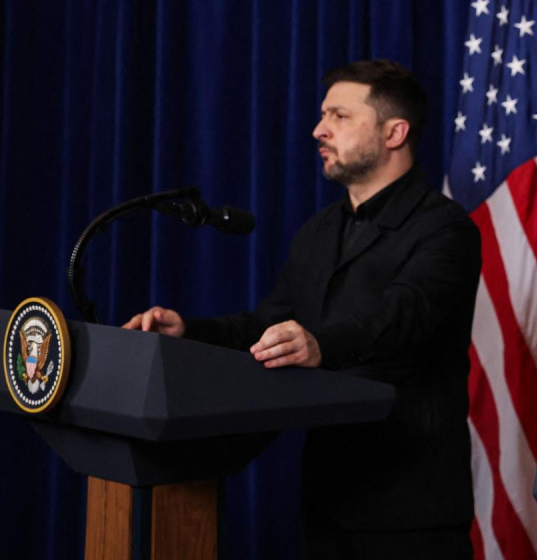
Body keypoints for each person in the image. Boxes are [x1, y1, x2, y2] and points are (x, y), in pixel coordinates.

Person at [124, 59, 481, 559]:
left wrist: (320, 344)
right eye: (322, 115)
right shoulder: (320, 230)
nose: (319, 129)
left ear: (394, 133)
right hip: (328, 498)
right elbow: (269, 324)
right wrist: (188, 333)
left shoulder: (445, 228)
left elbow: (403, 316)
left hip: (411, 506)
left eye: (340, 116)